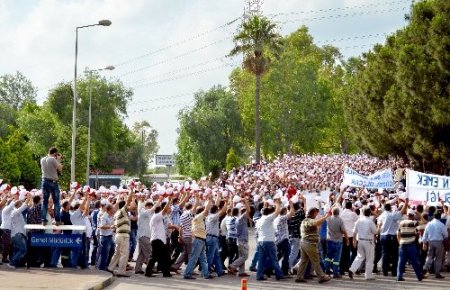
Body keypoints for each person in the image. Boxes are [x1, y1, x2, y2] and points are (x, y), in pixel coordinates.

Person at [294, 207, 331, 284]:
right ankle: (321, 277)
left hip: (304, 243)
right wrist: (326, 216)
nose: (316, 215)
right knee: (316, 261)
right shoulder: (309, 221)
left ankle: (299, 277)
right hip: (309, 244)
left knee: (303, 261)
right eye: (316, 213)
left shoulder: (304, 220)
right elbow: (316, 223)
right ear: (313, 213)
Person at [183, 196, 213, 280]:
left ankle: (206, 274)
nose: (207, 213)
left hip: (201, 240)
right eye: (204, 212)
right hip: (198, 240)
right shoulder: (199, 217)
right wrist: (209, 200)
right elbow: (206, 210)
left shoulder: (200, 218)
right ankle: (187, 274)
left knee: (203, 259)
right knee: (194, 258)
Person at [255, 199, 285, 281]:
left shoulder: (259, 220)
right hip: (269, 241)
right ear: (268, 213)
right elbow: (278, 211)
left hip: (260, 241)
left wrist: (265, 203)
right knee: (273, 259)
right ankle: (279, 274)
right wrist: (277, 203)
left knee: (261, 260)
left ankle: (259, 275)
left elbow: (265, 211)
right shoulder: (268, 218)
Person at [145, 197, 174, 278]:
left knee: (164, 257)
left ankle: (166, 273)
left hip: (160, 240)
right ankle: (148, 272)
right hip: (157, 240)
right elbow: (164, 211)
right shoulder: (156, 217)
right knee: (154, 257)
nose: (164, 213)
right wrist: (169, 201)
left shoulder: (158, 218)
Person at [377, 199, 408, 277]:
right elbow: (402, 212)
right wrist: (406, 203)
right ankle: (394, 272)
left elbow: (379, 226)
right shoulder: (392, 215)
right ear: (390, 208)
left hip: (382, 236)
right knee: (394, 255)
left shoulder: (381, 216)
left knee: (385, 254)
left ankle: (385, 271)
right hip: (391, 236)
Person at [108, 190, 134, 277]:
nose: (130, 207)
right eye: (128, 206)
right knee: (124, 254)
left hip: (119, 235)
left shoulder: (117, 213)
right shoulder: (123, 212)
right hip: (123, 236)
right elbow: (128, 201)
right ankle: (121, 272)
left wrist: (121, 196)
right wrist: (131, 191)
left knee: (117, 253)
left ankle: (110, 268)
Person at [348, 206, 378, 280]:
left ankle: (352, 269)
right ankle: (368, 275)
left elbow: (354, 232)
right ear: (369, 212)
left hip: (360, 240)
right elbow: (375, 232)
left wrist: (354, 241)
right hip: (368, 241)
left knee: (359, 257)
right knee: (369, 259)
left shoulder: (359, 220)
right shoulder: (370, 221)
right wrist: (379, 227)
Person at [396, 209, 423, 281]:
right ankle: (419, 276)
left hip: (402, 244)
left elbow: (398, 234)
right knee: (414, 261)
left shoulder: (401, 223)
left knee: (401, 261)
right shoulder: (413, 222)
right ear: (413, 216)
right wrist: (418, 212)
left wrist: (400, 242)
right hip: (411, 244)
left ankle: (399, 276)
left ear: (407, 215)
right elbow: (423, 221)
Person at [135, 197, 160, 274]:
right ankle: (151, 268)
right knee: (150, 252)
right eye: (148, 205)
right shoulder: (142, 212)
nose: (149, 207)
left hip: (147, 236)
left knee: (142, 254)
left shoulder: (150, 214)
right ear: (145, 206)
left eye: (151, 205)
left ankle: (138, 269)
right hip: (143, 235)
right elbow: (150, 211)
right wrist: (159, 200)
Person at [205, 191, 227, 276]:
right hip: (212, 238)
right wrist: (227, 203)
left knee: (217, 255)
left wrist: (218, 196)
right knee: (210, 256)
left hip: (212, 238)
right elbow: (222, 211)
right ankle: (206, 272)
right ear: (216, 210)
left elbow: (216, 206)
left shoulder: (209, 215)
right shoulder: (213, 216)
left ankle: (219, 271)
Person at [227, 198, 251, 277]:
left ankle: (241, 272)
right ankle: (232, 266)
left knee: (241, 256)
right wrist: (245, 202)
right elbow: (249, 210)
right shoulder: (241, 218)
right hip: (242, 240)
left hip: (240, 240)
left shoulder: (239, 219)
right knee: (244, 256)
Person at [323, 207, 348, 278]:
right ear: (338, 212)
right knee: (336, 258)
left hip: (330, 240)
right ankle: (335, 273)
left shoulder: (328, 219)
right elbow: (343, 231)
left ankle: (325, 270)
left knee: (328, 256)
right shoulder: (340, 220)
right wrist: (347, 239)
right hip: (338, 241)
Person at [422, 211, 448, 279]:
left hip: (430, 241)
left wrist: (424, 243)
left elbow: (425, 234)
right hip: (439, 242)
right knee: (438, 258)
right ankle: (437, 273)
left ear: (434, 216)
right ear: (440, 217)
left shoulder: (429, 224)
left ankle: (425, 268)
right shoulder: (441, 225)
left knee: (429, 256)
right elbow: (445, 235)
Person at [40, 147, 63, 225]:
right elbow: (60, 169)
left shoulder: (42, 159)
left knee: (44, 201)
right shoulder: (53, 159)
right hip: (53, 182)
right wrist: (59, 159)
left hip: (44, 181)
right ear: (55, 154)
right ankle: (57, 220)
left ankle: (43, 219)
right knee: (56, 202)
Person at [9, 194, 32, 268]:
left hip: (19, 234)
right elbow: (22, 208)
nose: (22, 206)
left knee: (19, 249)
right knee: (22, 249)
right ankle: (12, 263)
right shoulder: (14, 212)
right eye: (21, 204)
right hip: (16, 234)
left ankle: (15, 263)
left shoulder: (19, 213)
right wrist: (27, 200)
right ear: (18, 206)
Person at [339, 200, 358, 275]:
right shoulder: (353, 214)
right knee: (354, 252)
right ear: (351, 207)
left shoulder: (341, 213)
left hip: (343, 235)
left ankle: (342, 268)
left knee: (344, 253)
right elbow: (358, 220)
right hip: (350, 236)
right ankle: (350, 267)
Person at [98, 204, 115, 271]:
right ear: (109, 209)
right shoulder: (104, 216)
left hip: (110, 237)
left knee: (112, 251)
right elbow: (101, 226)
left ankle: (107, 266)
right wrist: (110, 227)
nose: (114, 210)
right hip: (105, 237)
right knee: (105, 253)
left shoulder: (111, 216)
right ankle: (102, 268)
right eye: (112, 209)